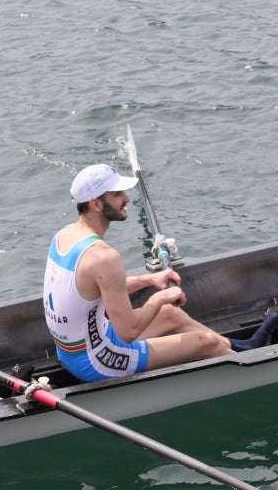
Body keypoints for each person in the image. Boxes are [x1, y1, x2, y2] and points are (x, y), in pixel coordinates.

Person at [44, 163, 238, 382]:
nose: (126, 198)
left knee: (170, 314)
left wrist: (150, 279)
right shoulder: (104, 257)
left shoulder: (63, 237)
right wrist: (160, 297)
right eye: (117, 194)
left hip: (78, 347)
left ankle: (244, 350)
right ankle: (251, 367)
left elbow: (96, 288)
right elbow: (129, 332)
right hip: (97, 360)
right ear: (96, 204)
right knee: (205, 342)